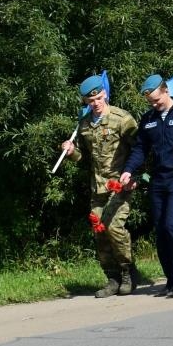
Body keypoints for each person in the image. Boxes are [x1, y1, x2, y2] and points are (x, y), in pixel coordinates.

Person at [120, 74, 173, 298]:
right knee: (161, 230)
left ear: (166, 90)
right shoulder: (148, 119)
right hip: (157, 180)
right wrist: (128, 170)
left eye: (157, 100)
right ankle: (171, 279)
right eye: (151, 102)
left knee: (172, 226)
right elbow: (141, 149)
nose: (154, 104)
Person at [62, 75, 138, 298]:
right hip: (98, 188)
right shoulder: (84, 124)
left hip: (119, 185)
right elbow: (82, 157)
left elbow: (140, 149)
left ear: (105, 94)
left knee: (114, 228)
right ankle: (112, 278)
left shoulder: (122, 119)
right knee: (100, 232)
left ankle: (127, 274)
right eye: (90, 100)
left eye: (98, 97)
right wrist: (71, 152)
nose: (95, 103)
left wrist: (134, 175)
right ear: (85, 101)